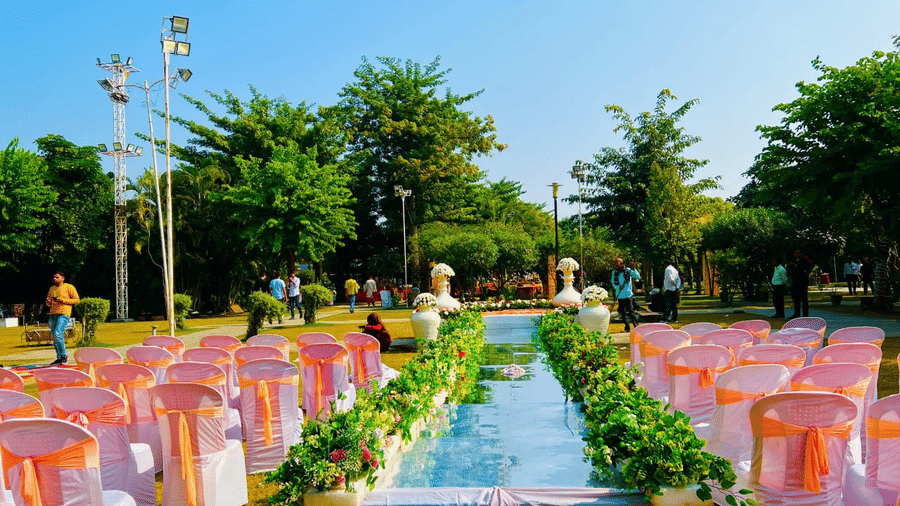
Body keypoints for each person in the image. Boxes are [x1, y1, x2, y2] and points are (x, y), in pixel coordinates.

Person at [45, 271, 80, 365]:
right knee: (54, 336)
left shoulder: (69, 287)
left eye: (57, 277)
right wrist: (48, 301)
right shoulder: (52, 288)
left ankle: (64, 356)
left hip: (64, 313)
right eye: (53, 277)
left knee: (57, 333)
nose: (54, 279)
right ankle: (59, 357)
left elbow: (76, 300)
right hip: (53, 314)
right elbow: (48, 304)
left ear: (62, 278)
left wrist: (63, 300)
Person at [611, 257, 641, 332]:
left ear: (621, 263)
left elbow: (637, 277)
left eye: (618, 262)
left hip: (628, 294)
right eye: (615, 262)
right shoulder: (614, 272)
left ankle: (636, 326)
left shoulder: (628, 270)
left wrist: (634, 269)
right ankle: (627, 326)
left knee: (631, 311)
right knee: (622, 312)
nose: (616, 264)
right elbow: (613, 282)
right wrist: (618, 287)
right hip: (620, 295)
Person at [789, 249, 814, 318]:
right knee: (796, 299)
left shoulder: (805, 261)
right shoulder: (794, 261)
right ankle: (796, 313)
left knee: (804, 299)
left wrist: (805, 274)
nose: (796, 254)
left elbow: (810, 266)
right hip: (795, 282)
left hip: (802, 282)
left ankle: (805, 315)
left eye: (798, 253)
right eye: (795, 253)